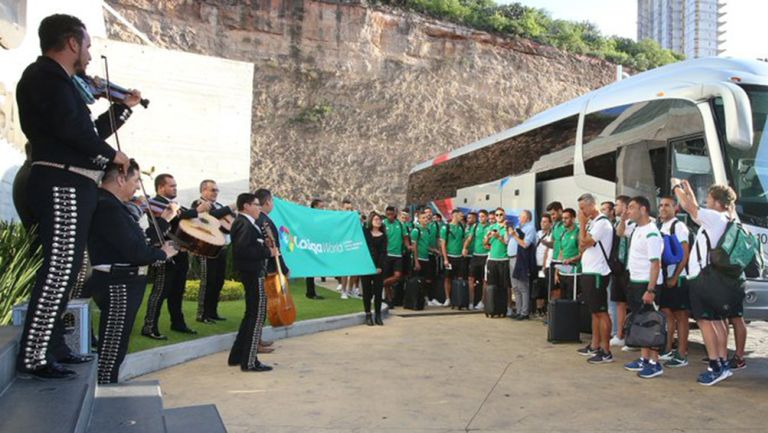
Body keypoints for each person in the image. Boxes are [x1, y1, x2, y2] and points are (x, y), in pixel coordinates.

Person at [14, 14, 137, 380]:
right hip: (60, 183)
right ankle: (34, 355)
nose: (88, 52)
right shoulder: (44, 78)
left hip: (72, 182)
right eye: (86, 45)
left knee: (69, 272)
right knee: (58, 269)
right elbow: (72, 133)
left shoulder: (61, 84)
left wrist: (123, 109)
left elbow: (87, 132)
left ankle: (54, 346)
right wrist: (112, 156)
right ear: (71, 44)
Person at [86, 161, 178, 383]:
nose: (138, 187)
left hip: (122, 282)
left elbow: (141, 241)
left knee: (117, 344)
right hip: (118, 283)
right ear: (120, 179)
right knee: (113, 346)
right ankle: (105, 391)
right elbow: (136, 251)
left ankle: (108, 386)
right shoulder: (107, 206)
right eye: (136, 180)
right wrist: (163, 254)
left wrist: (164, 222)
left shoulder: (113, 205)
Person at [674, 181, 742, 385]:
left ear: (717, 202)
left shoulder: (714, 217)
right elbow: (695, 208)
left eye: (710, 198)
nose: (707, 201)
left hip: (702, 277)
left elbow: (690, 208)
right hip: (715, 277)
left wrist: (675, 188)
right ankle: (721, 363)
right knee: (717, 321)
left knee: (705, 322)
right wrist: (689, 192)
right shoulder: (727, 217)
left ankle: (714, 365)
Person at [141, 174, 211, 339]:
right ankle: (149, 326)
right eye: (171, 186)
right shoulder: (155, 203)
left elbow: (184, 218)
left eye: (175, 185)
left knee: (177, 291)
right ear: (160, 187)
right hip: (165, 252)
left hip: (180, 252)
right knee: (160, 291)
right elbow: (176, 216)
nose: (175, 188)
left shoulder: (174, 205)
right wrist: (195, 211)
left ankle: (178, 323)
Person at [227, 193, 277, 372]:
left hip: (253, 272)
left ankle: (238, 355)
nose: (259, 208)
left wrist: (263, 245)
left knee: (252, 314)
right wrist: (267, 252)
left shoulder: (246, 223)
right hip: (252, 273)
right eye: (256, 204)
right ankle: (249, 361)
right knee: (256, 315)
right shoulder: (243, 223)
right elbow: (242, 251)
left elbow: (248, 246)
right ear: (246, 206)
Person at [622, 196, 665, 379]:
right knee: (640, 323)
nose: (628, 210)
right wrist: (623, 218)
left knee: (651, 323)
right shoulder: (636, 229)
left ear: (643, 209)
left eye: (632, 207)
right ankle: (644, 359)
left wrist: (651, 290)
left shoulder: (651, 233)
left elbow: (656, 264)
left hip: (647, 284)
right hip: (635, 281)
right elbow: (619, 232)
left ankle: (656, 363)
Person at [576, 194, 614, 364]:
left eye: (583, 208)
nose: (581, 212)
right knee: (594, 311)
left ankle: (606, 350)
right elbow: (581, 245)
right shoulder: (593, 223)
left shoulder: (602, 223)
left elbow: (586, 243)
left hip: (598, 273)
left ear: (592, 205)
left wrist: (582, 224)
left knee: (601, 311)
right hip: (589, 271)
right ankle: (594, 345)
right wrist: (584, 226)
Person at [192, 179, 235, 323]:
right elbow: (212, 217)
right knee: (207, 281)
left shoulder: (219, 206)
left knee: (218, 281)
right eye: (212, 190)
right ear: (203, 191)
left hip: (221, 248)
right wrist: (231, 207)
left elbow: (226, 224)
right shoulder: (198, 204)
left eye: (217, 190)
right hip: (206, 249)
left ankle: (212, 312)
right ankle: (202, 314)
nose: (216, 193)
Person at [656, 195, 691, 368]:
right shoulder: (662, 225)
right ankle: (668, 348)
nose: (663, 208)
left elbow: (685, 255)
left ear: (675, 208)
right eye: (661, 205)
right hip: (665, 277)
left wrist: (675, 276)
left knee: (681, 316)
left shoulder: (679, 227)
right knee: (667, 312)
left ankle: (682, 353)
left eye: (667, 205)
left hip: (678, 278)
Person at [609, 195, 634, 349]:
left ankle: (633, 337)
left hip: (630, 269)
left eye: (617, 205)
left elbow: (623, 233)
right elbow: (618, 233)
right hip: (618, 268)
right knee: (619, 301)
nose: (614, 208)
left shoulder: (635, 224)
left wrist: (624, 220)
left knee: (633, 304)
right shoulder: (620, 222)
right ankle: (620, 335)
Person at [509, 210, 537, 320]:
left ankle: (525, 312)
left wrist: (514, 235)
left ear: (527, 218)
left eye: (521, 216)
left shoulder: (530, 228)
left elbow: (525, 244)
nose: (519, 218)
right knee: (515, 287)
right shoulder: (518, 227)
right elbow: (508, 241)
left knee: (523, 286)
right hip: (511, 257)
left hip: (520, 259)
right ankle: (519, 310)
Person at [362, 212, 388, 325]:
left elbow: (383, 252)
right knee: (367, 291)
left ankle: (378, 314)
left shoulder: (383, 235)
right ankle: (368, 314)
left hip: (378, 267)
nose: (378, 221)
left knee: (378, 291)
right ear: (371, 221)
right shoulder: (366, 233)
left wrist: (379, 266)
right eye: (376, 219)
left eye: (379, 219)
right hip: (366, 266)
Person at [484, 208, 510, 314]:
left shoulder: (507, 227)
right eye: (497, 215)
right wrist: (488, 237)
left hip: (503, 259)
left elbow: (507, 242)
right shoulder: (491, 227)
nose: (499, 216)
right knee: (491, 285)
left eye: (501, 215)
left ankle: (507, 307)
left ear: (504, 215)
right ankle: (492, 307)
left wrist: (498, 236)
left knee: (505, 286)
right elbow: (484, 243)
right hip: (492, 259)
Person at [382, 206, 409, 307]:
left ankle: (380, 284)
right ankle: (389, 300)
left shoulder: (400, 225)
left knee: (397, 276)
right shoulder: (383, 224)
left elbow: (405, 237)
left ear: (395, 214)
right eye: (387, 214)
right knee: (387, 276)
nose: (389, 216)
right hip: (387, 254)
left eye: (391, 214)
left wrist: (408, 246)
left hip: (398, 255)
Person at [440, 209, 466, 307]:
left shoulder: (461, 227)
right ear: (454, 215)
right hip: (450, 256)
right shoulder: (445, 228)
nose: (462, 217)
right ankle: (448, 298)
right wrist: (445, 259)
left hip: (459, 257)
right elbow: (443, 244)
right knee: (447, 278)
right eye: (460, 215)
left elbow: (463, 240)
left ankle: (457, 298)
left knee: (459, 277)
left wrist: (464, 249)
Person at [464, 211, 489, 310]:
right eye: (479, 217)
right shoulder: (475, 226)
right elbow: (469, 238)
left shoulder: (490, 227)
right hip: (475, 255)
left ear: (486, 217)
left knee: (484, 280)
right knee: (471, 278)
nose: (481, 218)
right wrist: (465, 248)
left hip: (486, 256)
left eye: (483, 216)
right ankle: (471, 302)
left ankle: (482, 301)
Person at [541, 202, 565, 300]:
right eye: (550, 214)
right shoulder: (555, 226)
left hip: (563, 263)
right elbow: (554, 244)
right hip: (554, 261)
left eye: (553, 214)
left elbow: (564, 246)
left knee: (559, 290)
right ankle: (553, 312)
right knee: (551, 290)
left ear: (560, 211)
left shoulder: (565, 225)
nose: (552, 217)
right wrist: (546, 243)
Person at [557, 208, 580, 303]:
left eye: (566, 218)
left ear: (573, 218)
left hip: (574, 273)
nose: (564, 220)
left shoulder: (578, 232)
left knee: (572, 300)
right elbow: (561, 252)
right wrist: (557, 271)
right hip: (563, 272)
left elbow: (582, 252)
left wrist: (571, 259)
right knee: (563, 299)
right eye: (563, 218)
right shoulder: (563, 233)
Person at [411, 211, 434, 305]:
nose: (425, 219)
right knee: (417, 280)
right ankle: (415, 299)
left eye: (426, 218)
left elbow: (425, 245)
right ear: (419, 219)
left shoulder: (427, 230)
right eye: (423, 218)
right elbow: (414, 246)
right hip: (418, 258)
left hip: (426, 258)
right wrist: (416, 261)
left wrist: (434, 250)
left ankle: (424, 298)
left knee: (427, 280)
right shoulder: (416, 230)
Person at [304, 198, 325, 300]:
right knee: (310, 270)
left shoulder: (319, 217)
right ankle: (310, 292)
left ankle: (311, 292)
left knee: (312, 270)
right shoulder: (310, 217)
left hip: (315, 246)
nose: (322, 209)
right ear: (315, 206)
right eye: (321, 206)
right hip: (310, 246)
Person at [534, 214, 553, 317]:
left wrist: (545, 265)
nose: (542, 224)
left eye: (545, 222)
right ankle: (538, 309)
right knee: (538, 286)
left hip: (545, 265)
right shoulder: (537, 234)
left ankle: (546, 309)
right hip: (537, 264)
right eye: (542, 221)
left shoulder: (552, 235)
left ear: (550, 224)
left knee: (546, 287)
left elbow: (547, 250)